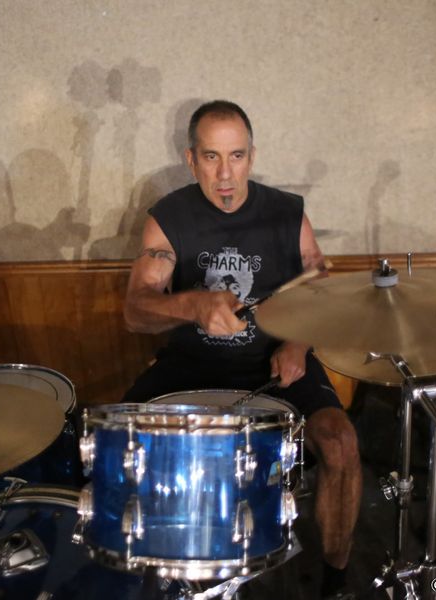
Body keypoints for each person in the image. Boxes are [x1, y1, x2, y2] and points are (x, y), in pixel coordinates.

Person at [122, 100, 361, 599]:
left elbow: (319, 285)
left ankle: (336, 577)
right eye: (211, 157)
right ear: (191, 160)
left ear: (252, 156)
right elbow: (136, 310)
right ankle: (146, 572)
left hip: (273, 363)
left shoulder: (286, 213)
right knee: (120, 442)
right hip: (189, 364)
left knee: (340, 443)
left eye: (236, 156)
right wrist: (192, 305)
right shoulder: (169, 217)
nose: (225, 174)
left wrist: (297, 342)